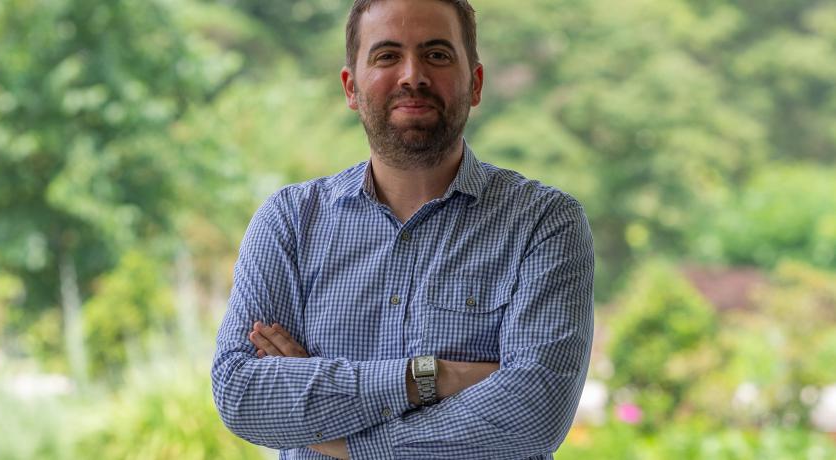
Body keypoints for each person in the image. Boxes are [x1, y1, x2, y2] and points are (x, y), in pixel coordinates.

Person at [211, 0, 595, 458]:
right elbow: (241, 393)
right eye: (387, 56)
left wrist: (344, 441)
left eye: (436, 55)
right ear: (351, 87)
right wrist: (432, 378)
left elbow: (535, 412)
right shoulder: (289, 223)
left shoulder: (544, 223)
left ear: (474, 83)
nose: (412, 75)